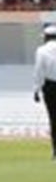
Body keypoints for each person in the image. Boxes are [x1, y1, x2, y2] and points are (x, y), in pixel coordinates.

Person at [33, 22, 56, 160]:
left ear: (46, 37)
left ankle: (55, 150)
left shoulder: (41, 50)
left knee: (53, 119)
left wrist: (36, 89)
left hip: (50, 87)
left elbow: (38, 71)